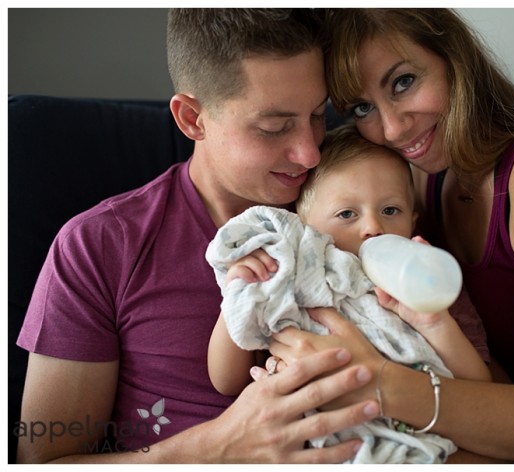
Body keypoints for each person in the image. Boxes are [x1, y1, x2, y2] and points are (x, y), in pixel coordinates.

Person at [266, 8, 514, 463]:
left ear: (454, 57)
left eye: (403, 82)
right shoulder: (422, 176)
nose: (392, 129)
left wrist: (377, 383)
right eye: (362, 108)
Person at [14, 9, 382, 463]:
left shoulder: (359, 208)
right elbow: (41, 461)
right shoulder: (100, 246)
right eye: (274, 127)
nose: (309, 153)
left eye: (317, 116)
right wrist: (219, 447)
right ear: (192, 119)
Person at [205, 125, 491, 462]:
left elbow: (480, 390)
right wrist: (240, 295)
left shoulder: (428, 283)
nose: (372, 227)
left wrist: (435, 323)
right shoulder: (292, 280)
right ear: (305, 226)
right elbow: (227, 381)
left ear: (413, 222)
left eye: (390, 210)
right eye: (346, 214)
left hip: (415, 443)